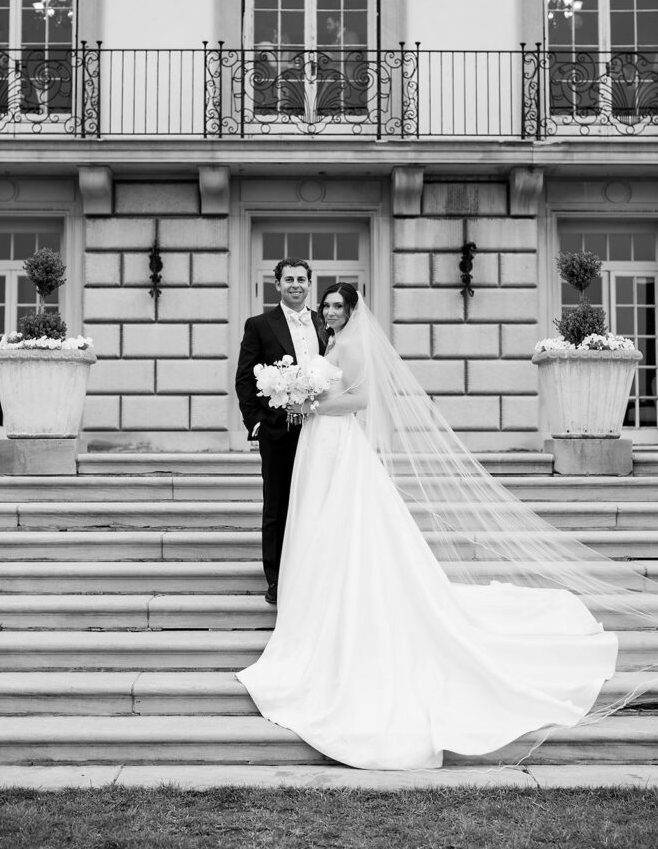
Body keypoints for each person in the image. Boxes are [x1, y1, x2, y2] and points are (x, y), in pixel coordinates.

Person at [238, 283, 655, 770]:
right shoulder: (329, 340)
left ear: (351, 309)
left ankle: (343, 594)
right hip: (317, 443)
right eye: (326, 305)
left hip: (335, 441)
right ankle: (314, 592)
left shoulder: (351, 343)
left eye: (337, 305)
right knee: (316, 520)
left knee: (345, 522)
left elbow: (363, 399)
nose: (330, 311)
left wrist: (308, 405)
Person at [235, 258, 326, 605]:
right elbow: (245, 378)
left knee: (315, 501)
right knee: (277, 505)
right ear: (277, 284)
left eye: (302, 279)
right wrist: (256, 422)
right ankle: (276, 580)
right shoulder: (259, 325)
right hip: (277, 429)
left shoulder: (324, 322)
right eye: (289, 279)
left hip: (320, 428)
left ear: (309, 284)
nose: (296, 285)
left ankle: (313, 573)